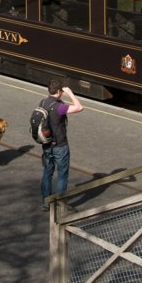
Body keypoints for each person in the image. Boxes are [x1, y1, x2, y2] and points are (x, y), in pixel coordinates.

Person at [40, 79, 83, 210]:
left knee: (47, 172)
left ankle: (46, 202)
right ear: (59, 92)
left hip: (46, 144)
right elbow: (79, 107)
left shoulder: (43, 102)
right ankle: (61, 203)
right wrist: (70, 93)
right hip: (60, 145)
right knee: (62, 175)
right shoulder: (60, 107)